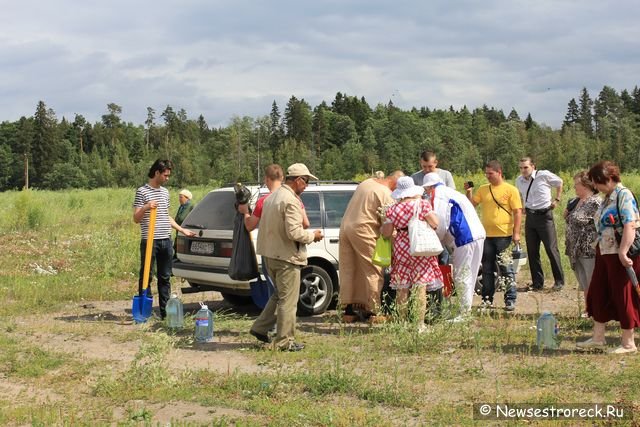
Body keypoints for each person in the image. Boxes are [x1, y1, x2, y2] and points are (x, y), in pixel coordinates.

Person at [249, 163, 324, 351]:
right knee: (288, 301)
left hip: (270, 255)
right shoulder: (291, 201)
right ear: (297, 180)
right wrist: (313, 236)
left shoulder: (271, 197)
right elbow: (295, 233)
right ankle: (284, 342)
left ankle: (260, 327)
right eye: (305, 181)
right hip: (286, 257)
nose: (306, 185)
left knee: (279, 296)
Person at [577, 161, 640, 354]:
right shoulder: (607, 197)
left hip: (620, 254)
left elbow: (630, 224)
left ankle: (628, 343)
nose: (595, 186)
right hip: (604, 252)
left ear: (607, 178)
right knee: (598, 291)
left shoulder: (623, 195)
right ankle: (598, 338)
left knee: (623, 295)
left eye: (597, 182)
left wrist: (623, 251)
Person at [133, 160, 196, 319]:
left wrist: (182, 230)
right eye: (165, 175)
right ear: (157, 173)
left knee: (165, 277)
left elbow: (165, 216)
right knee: (146, 275)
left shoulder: (165, 193)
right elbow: (136, 218)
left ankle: (165, 313)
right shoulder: (142, 191)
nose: (168, 178)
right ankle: (143, 312)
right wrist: (146, 207)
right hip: (150, 240)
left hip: (165, 240)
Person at [338, 170, 403, 322]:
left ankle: (349, 311)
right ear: (396, 184)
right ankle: (375, 311)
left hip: (345, 228)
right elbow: (388, 224)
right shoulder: (386, 194)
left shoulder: (367, 183)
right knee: (373, 270)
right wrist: (396, 245)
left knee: (349, 269)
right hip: (363, 229)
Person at [381, 177, 444, 331]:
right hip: (420, 248)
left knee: (402, 288)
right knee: (420, 286)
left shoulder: (392, 209)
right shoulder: (421, 204)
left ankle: (402, 323)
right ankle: (419, 324)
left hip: (401, 249)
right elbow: (435, 223)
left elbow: (387, 233)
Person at [422, 172, 485, 320]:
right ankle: (465, 310)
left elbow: (440, 222)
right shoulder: (452, 193)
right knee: (470, 273)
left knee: (461, 275)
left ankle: (464, 313)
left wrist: (434, 242)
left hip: (464, 237)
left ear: (429, 187)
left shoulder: (439, 196)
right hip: (478, 234)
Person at [465, 160, 522, 311]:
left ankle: (510, 299)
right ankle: (487, 299)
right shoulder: (483, 190)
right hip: (486, 236)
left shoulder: (511, 190)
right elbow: (471, 206)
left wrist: (516, 233)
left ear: (499, 172)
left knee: (506, 268)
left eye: (490, 173)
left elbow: (517, 212)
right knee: (487, 269)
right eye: (486, 174)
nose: (488, 176)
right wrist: (469, 192)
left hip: (504, 235)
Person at [515, 157, 564, 291]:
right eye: (521, 168)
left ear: (533, 166)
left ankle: (559, 281)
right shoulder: (518, 180)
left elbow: (560, 182)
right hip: (530, 216)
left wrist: (557, 199)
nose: (523, 170)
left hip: (544, 215)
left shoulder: (543, 175)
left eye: (525, 167)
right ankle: (537, 283)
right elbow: (520, 194)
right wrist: (523, 205)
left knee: (551, 248)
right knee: (532, 250)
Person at [563, 171, 600, 316]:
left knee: (591, 281)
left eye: (576, 184)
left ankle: (596, 310)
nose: (574, 187)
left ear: (586, 185)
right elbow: (567, 217)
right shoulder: (575, 201)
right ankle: (588, 309)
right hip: (574, 248)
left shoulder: (595, 202)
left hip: (588, 248)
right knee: (583, 282)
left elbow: (584, 221)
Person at [173, 189, 195, 259]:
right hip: (179, 230)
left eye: (181, 197)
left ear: (187, 198)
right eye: (179, 197)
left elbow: (183, 218)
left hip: (186, 231)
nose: (179, 199)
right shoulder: (182, 206)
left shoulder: (190, 206)